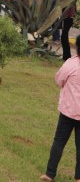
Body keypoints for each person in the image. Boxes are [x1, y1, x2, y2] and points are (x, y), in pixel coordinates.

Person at [40, 36, 80, 182]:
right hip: (71, 112)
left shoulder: (71, 64)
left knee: (59, 142)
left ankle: (50, 174)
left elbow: (59, 80)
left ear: (77, 47)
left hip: (68, 111)